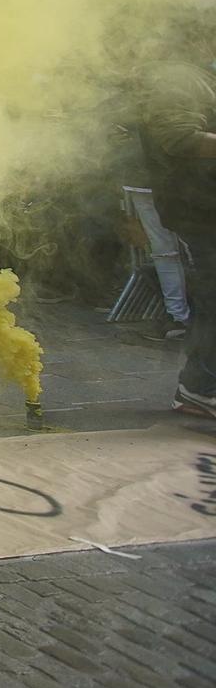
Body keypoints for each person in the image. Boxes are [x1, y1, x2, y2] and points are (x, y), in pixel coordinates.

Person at [137, 32, 216, 419]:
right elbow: (178, 138)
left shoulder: (198, 75)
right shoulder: (177, 78)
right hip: (198, 210)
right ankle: (199, 388)